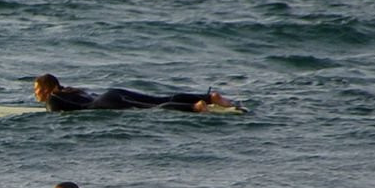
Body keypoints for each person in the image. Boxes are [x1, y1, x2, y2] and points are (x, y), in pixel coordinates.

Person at [32, 73, 240, 113]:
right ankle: (209, 97)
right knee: (159, 100)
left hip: (105, 104)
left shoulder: (53, 100)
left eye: (38, 89)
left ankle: (195, 107)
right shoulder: (69, 91)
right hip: (111, 93)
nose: (36, 94)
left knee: (153, 109)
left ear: (49, 88)